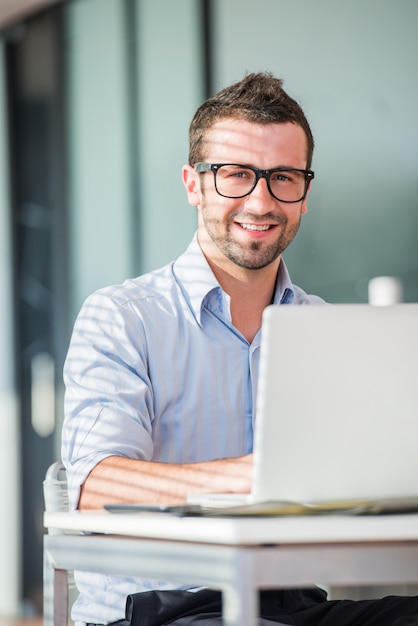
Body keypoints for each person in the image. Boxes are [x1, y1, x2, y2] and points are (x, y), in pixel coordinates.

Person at [62, 72, 418, 626]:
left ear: (304, 194)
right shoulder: (123, 317)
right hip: (161, 612)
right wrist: (258, 475)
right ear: (193, 184)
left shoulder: (326, 328)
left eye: (282, 177)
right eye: (235, 176)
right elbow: (97, 485)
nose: (261, 200)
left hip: (293, 602)